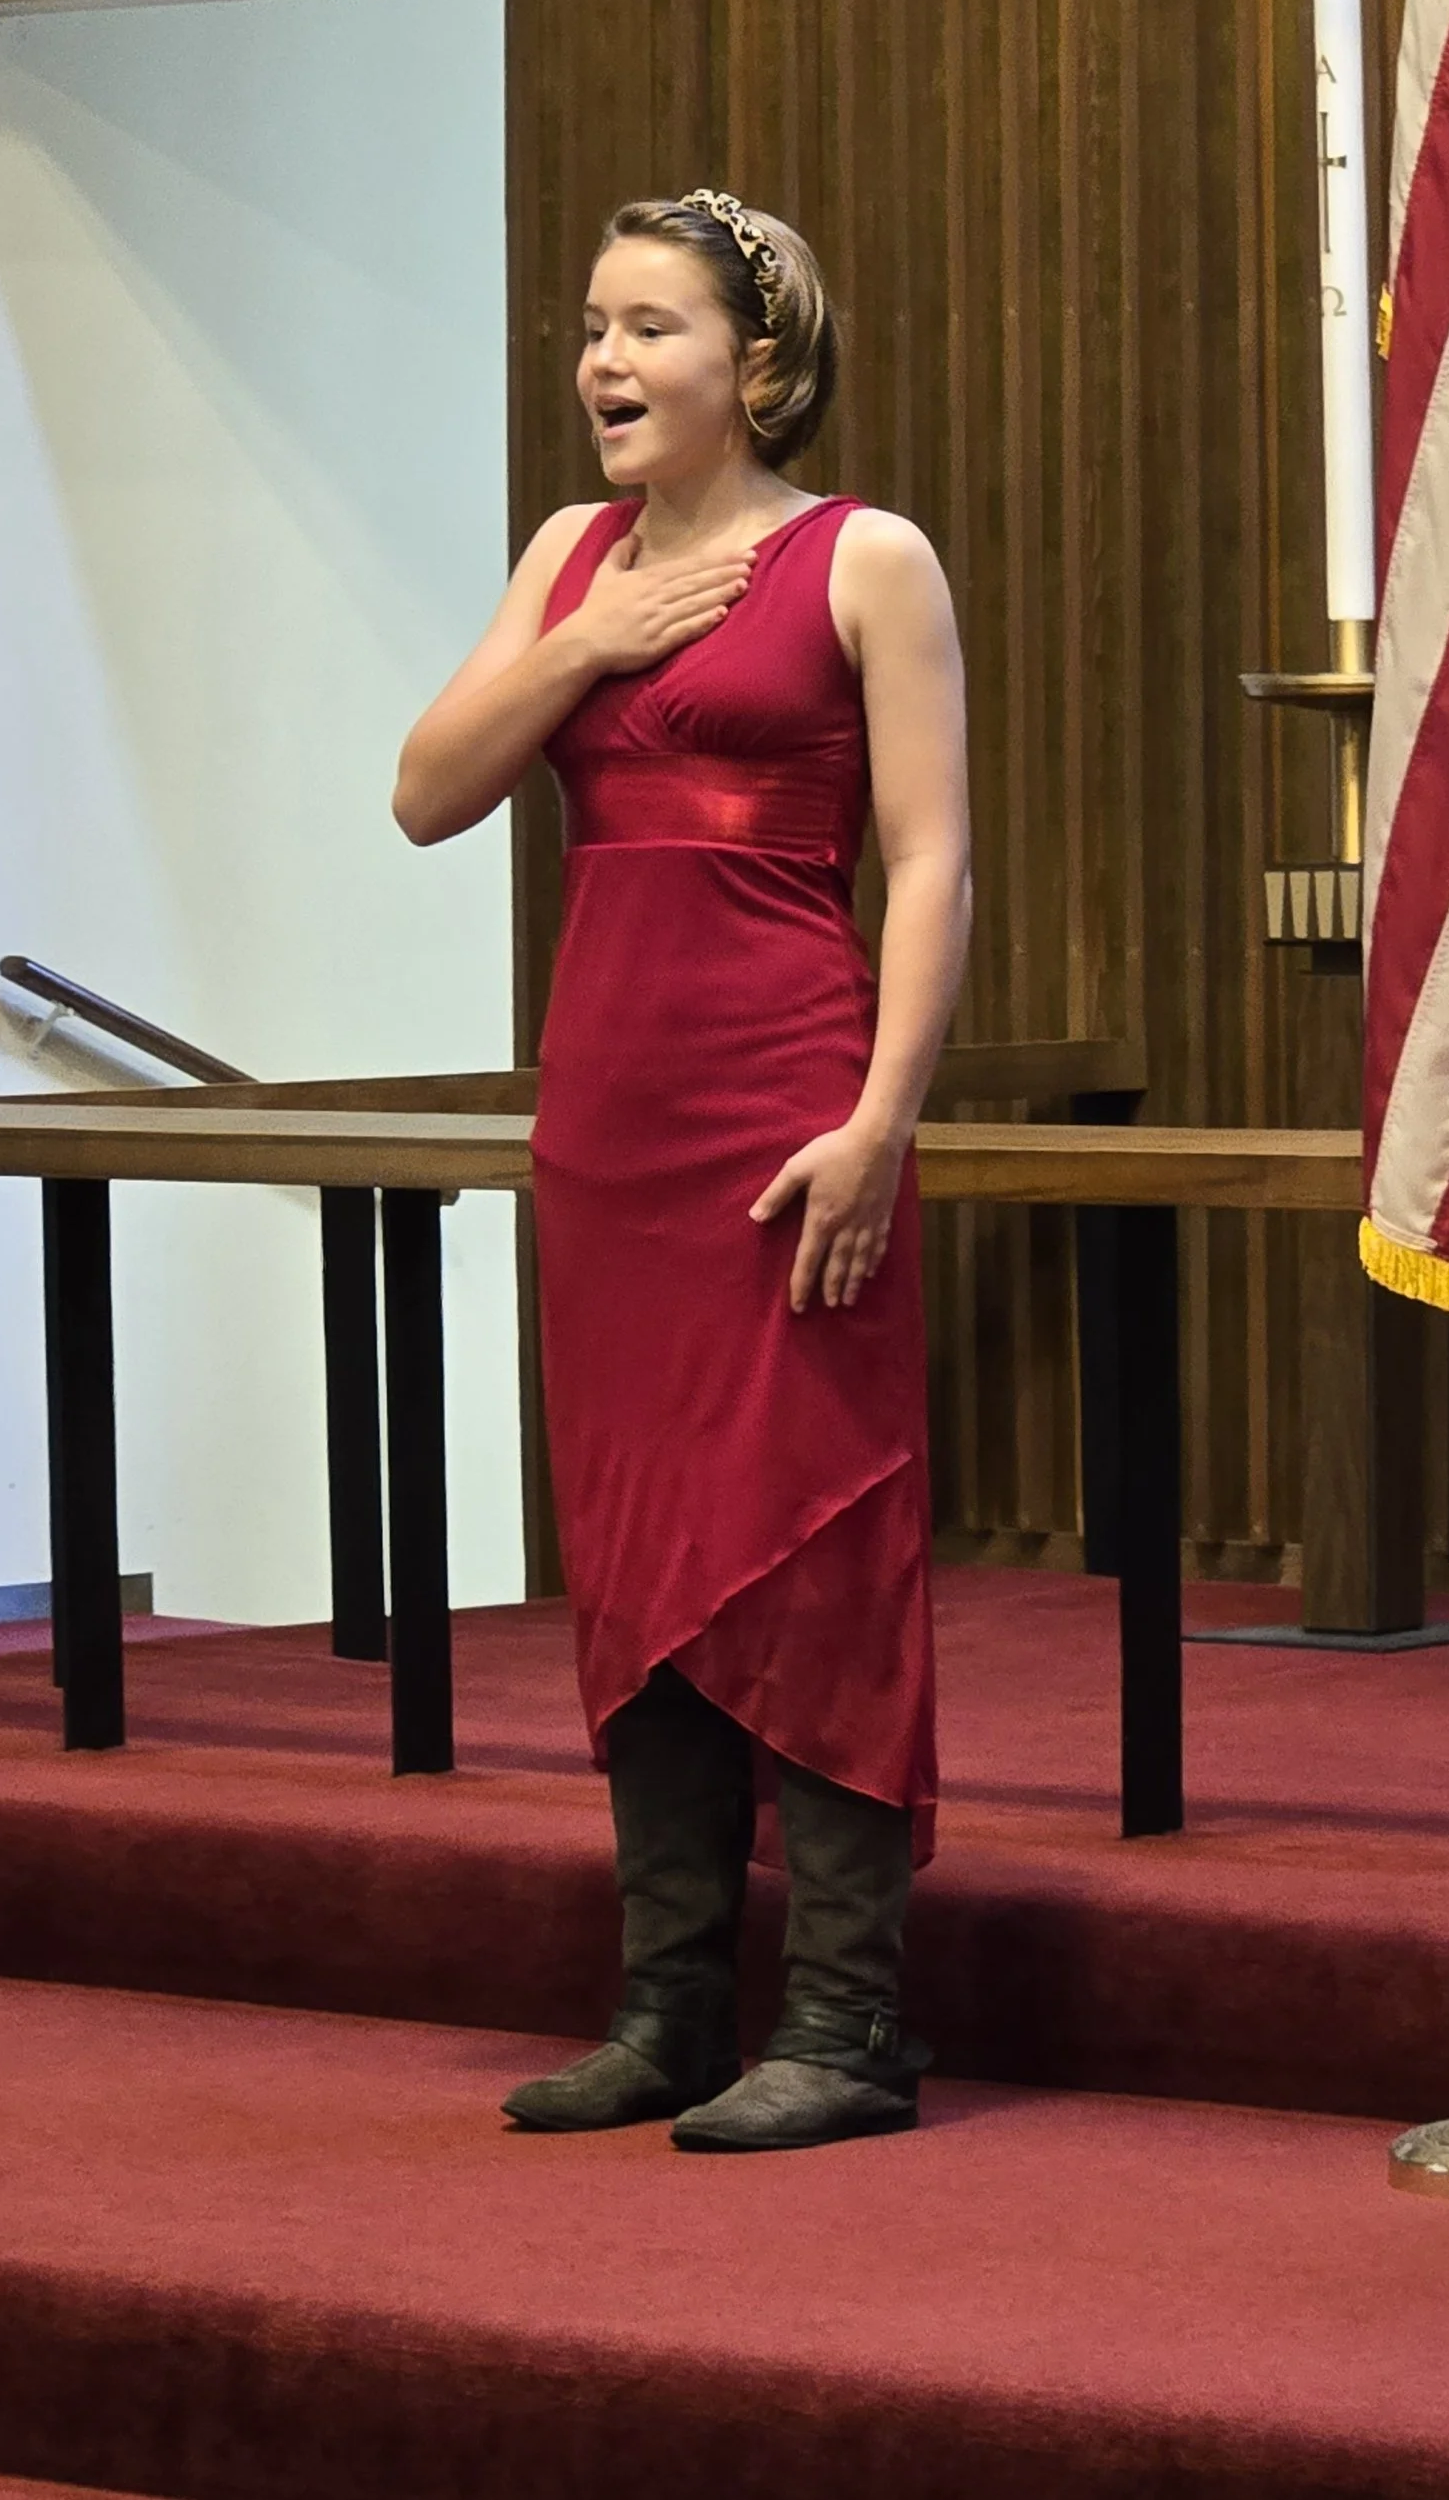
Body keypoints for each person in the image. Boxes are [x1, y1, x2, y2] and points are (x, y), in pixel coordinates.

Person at [393, 189, 970, 2151]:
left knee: (813, 1532)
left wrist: (880, 1120)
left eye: (650, 327)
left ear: (758, 361)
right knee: (639, 1539)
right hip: (610, 1128)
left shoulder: (863, 556)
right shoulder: (572, 557)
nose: (605, 363)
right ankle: (669, 2008)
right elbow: (425, 792)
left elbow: (932, 860)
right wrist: (591, 639)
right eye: (592, 327)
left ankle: (850, 2021)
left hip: (789, 1106)